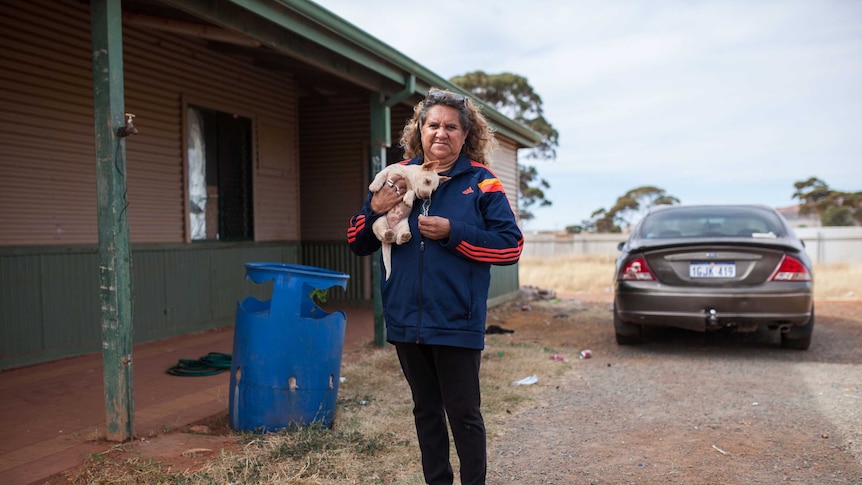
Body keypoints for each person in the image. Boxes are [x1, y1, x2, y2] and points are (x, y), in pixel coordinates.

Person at [347, 88, 523, 485]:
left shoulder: (482, 182)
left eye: (451, 127)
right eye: (433, 125)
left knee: (463, 413)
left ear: (466, 134)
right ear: (420, 130)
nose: (441, 133)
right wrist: (373, 209)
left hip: (456, 318)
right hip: (407, 318)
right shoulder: (395, 176)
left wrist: (453, 232)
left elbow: (510, 246)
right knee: (426, 410)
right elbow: (357, 242)